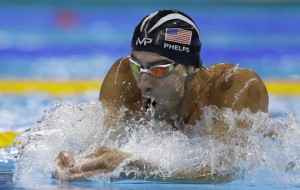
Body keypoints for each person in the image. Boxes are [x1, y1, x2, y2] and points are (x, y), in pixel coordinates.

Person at [54, 9, 269, 182]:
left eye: (158, 69)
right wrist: (71, 159)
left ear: (191, 69)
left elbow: (221, 172)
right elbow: (95, 143)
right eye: (138, 66)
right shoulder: (125, 77)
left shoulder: (233, 89)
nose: (143, 83)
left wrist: (137, 165)